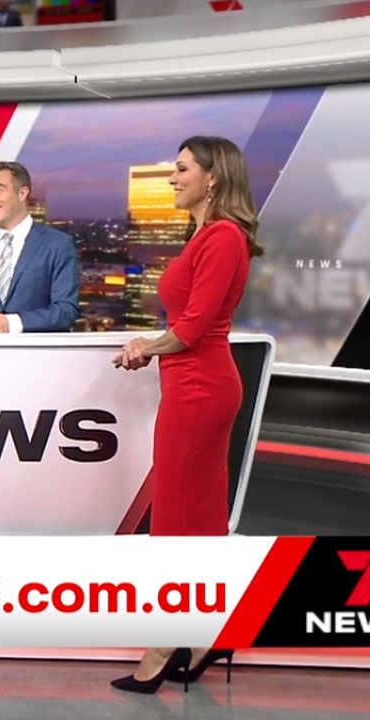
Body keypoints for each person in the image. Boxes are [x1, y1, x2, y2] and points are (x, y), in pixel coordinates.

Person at [109, 136, 264, 693]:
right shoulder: (204, 234)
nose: (172, 179)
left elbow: (194, 329)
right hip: (192, 384)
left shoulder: (222, 237)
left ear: (212, 176)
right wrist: (155, 346)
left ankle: (164, 642)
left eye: (181, 169)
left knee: (177, 517)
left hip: (199, 387)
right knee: (197, 516)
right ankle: (202, 635)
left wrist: (144, 347)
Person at [0, 161, 80, 334]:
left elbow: (66, 310)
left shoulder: (57, 244)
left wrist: (13, 323)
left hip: (35, 350)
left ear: (22, 193)